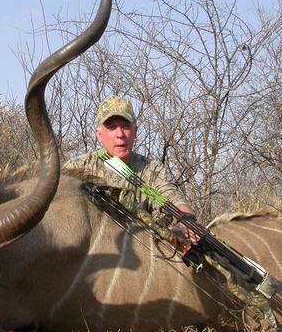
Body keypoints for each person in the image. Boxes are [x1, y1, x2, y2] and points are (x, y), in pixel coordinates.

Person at [63, 95, 199, 242]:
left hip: (138, 248)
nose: (120, 134)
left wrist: (187, 220)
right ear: (99, 135)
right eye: (112, 127)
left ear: (135, 131)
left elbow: (170, 196)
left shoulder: (151, 170)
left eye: (125, 126)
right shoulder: (77, 168)